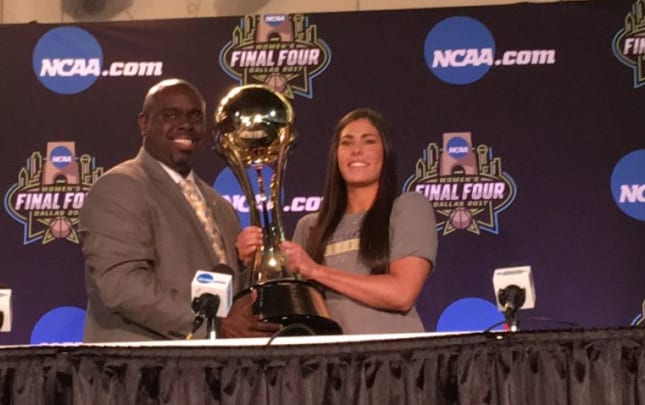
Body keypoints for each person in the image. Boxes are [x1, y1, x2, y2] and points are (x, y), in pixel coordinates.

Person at [80, 78, 280, 342]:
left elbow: (224, 292)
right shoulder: (120, 187)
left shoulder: (218, 203)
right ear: (144, 123)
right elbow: (121, 286)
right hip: (140, 369)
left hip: (207, 367)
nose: (185, 124)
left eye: (195, 116)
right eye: (170, 115)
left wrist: (247, 269)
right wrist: (212, 325)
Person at [238, 108, 438, 334]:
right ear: (336, 154)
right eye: (346, 143)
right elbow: (287, 305)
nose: (356, 151)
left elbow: (402, 294)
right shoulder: (310, 226)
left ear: (385, 152)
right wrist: (253, 263)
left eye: (369, 141)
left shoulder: (407, 208)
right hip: (327, 361)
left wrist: (316, 271)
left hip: (390, 359)